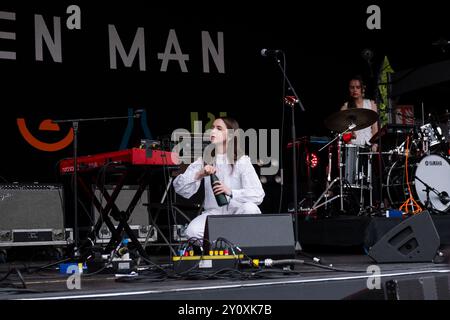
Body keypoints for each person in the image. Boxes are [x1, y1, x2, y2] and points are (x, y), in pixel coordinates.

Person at [173, 117, 265, 239]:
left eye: (219, 128)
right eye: (212, 128)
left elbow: (258, 194)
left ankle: (235, 244)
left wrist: (231, 192)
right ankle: (227, 242)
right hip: (214, 214)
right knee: (192, 232)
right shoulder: (204, 160)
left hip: (237, 214)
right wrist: (199, 174)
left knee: (250, 208)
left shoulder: (242, 161)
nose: (213, 131)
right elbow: (180, 189)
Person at [340, 76, 379, 151]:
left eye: (357, 87)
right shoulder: (345, 107)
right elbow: (344, 133)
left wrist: (375, 144)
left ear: (362, 89)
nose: (355, 90)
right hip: (353, 146)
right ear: (349, 89)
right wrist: (350, 141)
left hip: (369, 145)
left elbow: (375, 127)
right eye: (352, 87)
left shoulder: (371, 104)